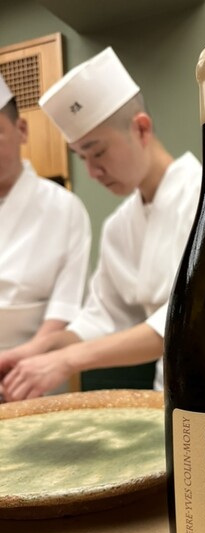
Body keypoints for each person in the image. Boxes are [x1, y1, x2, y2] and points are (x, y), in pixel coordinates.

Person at [0, 47, 202, 402]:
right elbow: (100, 318)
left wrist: (66, 360)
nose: (92, 172)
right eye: (82, 157)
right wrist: (39, 349)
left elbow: (186, 321)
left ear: (141, 129)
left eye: (98, 152)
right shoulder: (119, 226)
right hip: (167, 392)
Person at [0, 71, 91, 394]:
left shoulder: (65, 208)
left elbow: (65, 306)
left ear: (21, 130)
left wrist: (17, 369)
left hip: (31, 375)